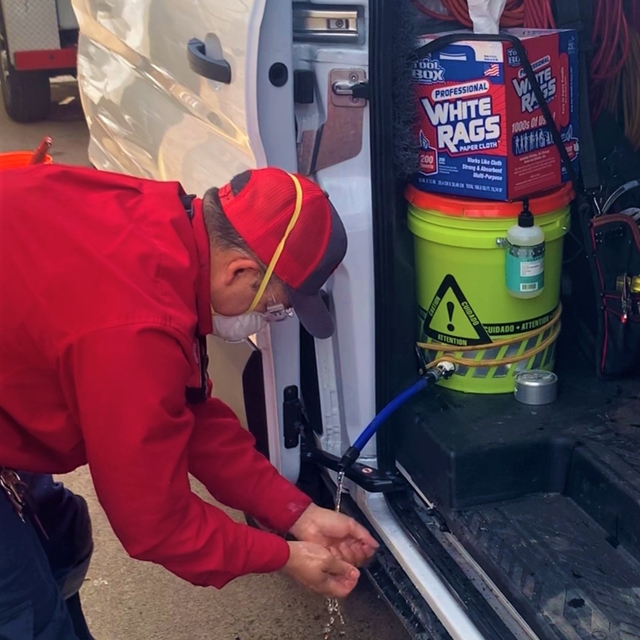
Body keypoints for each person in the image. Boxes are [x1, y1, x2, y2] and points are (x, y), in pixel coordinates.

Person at [0, 164, 378, 639]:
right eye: (271, 305)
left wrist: (296, 513)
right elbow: (154, 523)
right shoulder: (133, 328)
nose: (264, 318)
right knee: (24, 618)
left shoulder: (164, 227)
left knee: (61, 544)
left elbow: (188, 413)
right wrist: (281, 556)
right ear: (239, 269)